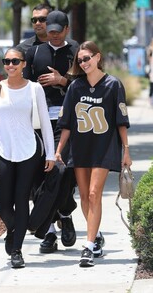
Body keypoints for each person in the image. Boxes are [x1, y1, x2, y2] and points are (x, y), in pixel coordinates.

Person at [55, 41, 132, 267]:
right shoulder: (75, 87)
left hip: (104, 147)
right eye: (80, 60)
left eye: (87, 58)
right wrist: (59, 150)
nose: (84, 63)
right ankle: (95, 236)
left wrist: (126, 150)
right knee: (85, 198)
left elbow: (121, 122)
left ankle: (87, 248)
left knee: (93, 193)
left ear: (98, 57)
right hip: (80, 148)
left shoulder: (113, 85)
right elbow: (66, 123)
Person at [0, 47, 55, 268]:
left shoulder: (35, 89)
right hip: (4, 150)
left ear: (23, 65)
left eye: (14, 61)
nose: (10, 65)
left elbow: (46, 124)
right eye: (6, 61)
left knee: (21, 200)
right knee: (3, 206)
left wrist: (49, 152)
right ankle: (15, 228)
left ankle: (17, 250)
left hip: (28, 151)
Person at [23, 9, 80, 253]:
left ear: (66, 30)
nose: (54, 36)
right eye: (50, 32)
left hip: (66, 121)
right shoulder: (33, 52)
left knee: (62, 171)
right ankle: (49, 233)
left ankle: (65, 214)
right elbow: (22, 87)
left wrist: (62, 81)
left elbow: (88, 86)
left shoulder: (76, 52)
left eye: (58, 32)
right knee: (39, 175)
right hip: (37, 121)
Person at [146, 39, 153, 106]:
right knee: (151, 86)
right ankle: (150, 101)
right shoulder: (150, 50)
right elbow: (149, 59)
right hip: (152, 70)